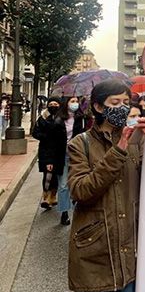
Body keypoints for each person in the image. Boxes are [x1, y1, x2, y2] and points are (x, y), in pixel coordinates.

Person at [67, 80, 145, 292]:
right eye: (115, 103)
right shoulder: (80, 144)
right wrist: (119, 149)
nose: (123, 108)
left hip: (129, 251)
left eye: (126, 102)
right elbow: (81, 191)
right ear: (98, 107)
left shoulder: (138, 140)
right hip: (94, 253)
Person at [54, 96, 91, 225]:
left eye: (76, 101)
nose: (75, 104)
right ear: (66, 103)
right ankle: (64, 212)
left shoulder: (81, 118)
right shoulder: (58, 119)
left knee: (79, 180)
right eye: (72, 101)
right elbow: (52, 141)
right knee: (63, 185)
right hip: (62, 155)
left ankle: (78, 206)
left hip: (77, 154)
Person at [32, 97, 64, 210]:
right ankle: (45, 196)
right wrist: (45, 136)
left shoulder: (63, 118)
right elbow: (35, 133)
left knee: (55, 174)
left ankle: (53, 196)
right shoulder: (42, 118)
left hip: (59, 151)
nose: (53, 106)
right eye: (51, 104)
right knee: (48, 174)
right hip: (46, 150)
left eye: (56, 104)